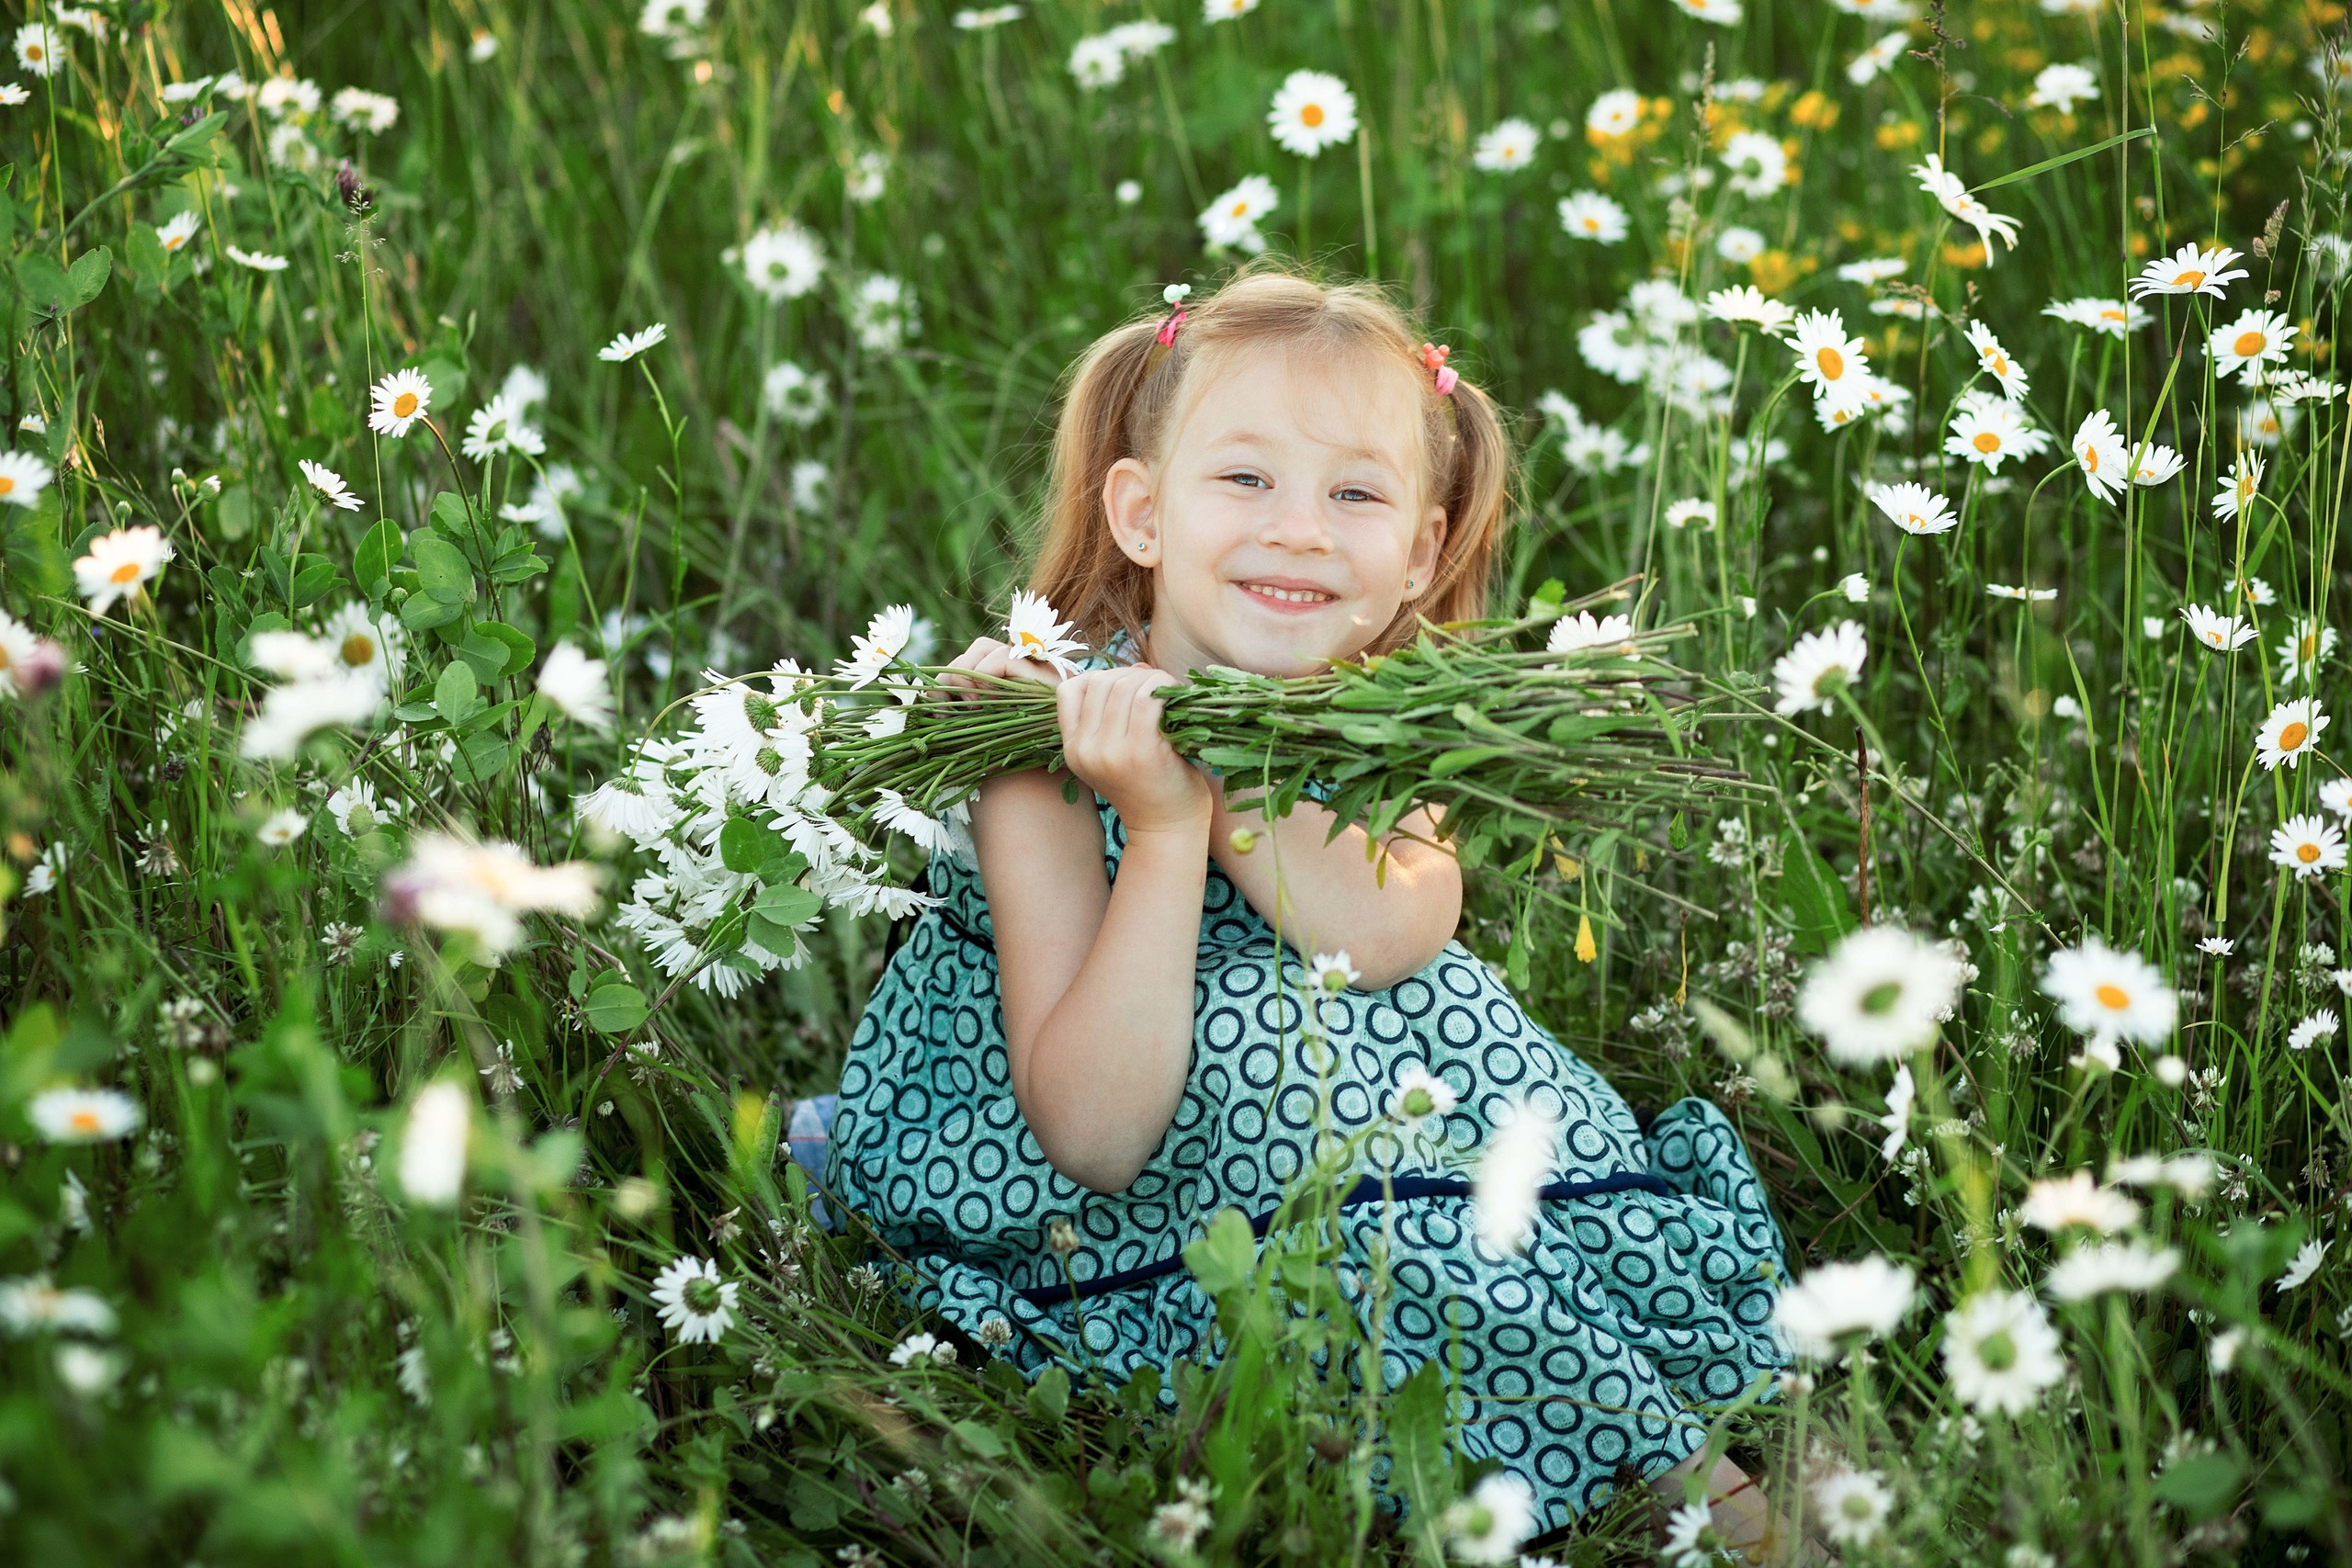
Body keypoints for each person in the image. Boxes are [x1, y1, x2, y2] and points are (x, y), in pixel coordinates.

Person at [827, 265, 1792, 1553]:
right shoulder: (1038, 747)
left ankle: (1648, 1432)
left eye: (1355, 494)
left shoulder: (1394, 713)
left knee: (1450, 1066)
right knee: (1306, 1108)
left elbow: (1388, 941)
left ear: (1419, 554)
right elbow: (1097, 1137)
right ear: (1143, 514)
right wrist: (1161, 826)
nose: (1299, 531)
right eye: (1246, 478)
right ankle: (1686, 1485)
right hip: (1124, 1172)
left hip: (1374, 1114)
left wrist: (1221, 766)